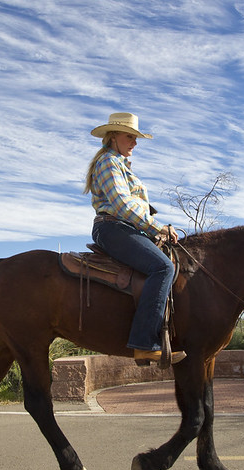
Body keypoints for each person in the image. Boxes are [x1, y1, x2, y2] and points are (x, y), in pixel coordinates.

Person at [84, 112, 186, 366]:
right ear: (112, 137)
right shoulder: (108, 162)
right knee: (163, 267)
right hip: (113, 228)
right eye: (130, 136)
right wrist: (158, 227)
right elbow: (121, 204)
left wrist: (155, 229)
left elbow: (135, 207)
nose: (135, 143)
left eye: (136, 137)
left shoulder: (120, 165)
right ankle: (144, 343)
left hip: (127, 228)